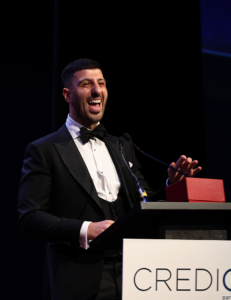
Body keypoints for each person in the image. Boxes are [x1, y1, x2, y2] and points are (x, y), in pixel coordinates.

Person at [18, 58, 202, 300]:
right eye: (86, 84)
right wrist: (86, 229)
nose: (96, 90)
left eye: (101, 83)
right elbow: (29, 218)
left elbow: (143, 206)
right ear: (67, 94)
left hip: (137, 274)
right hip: (80, 280)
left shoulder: (121, 145)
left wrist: (171, 185)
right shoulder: (44, 150)